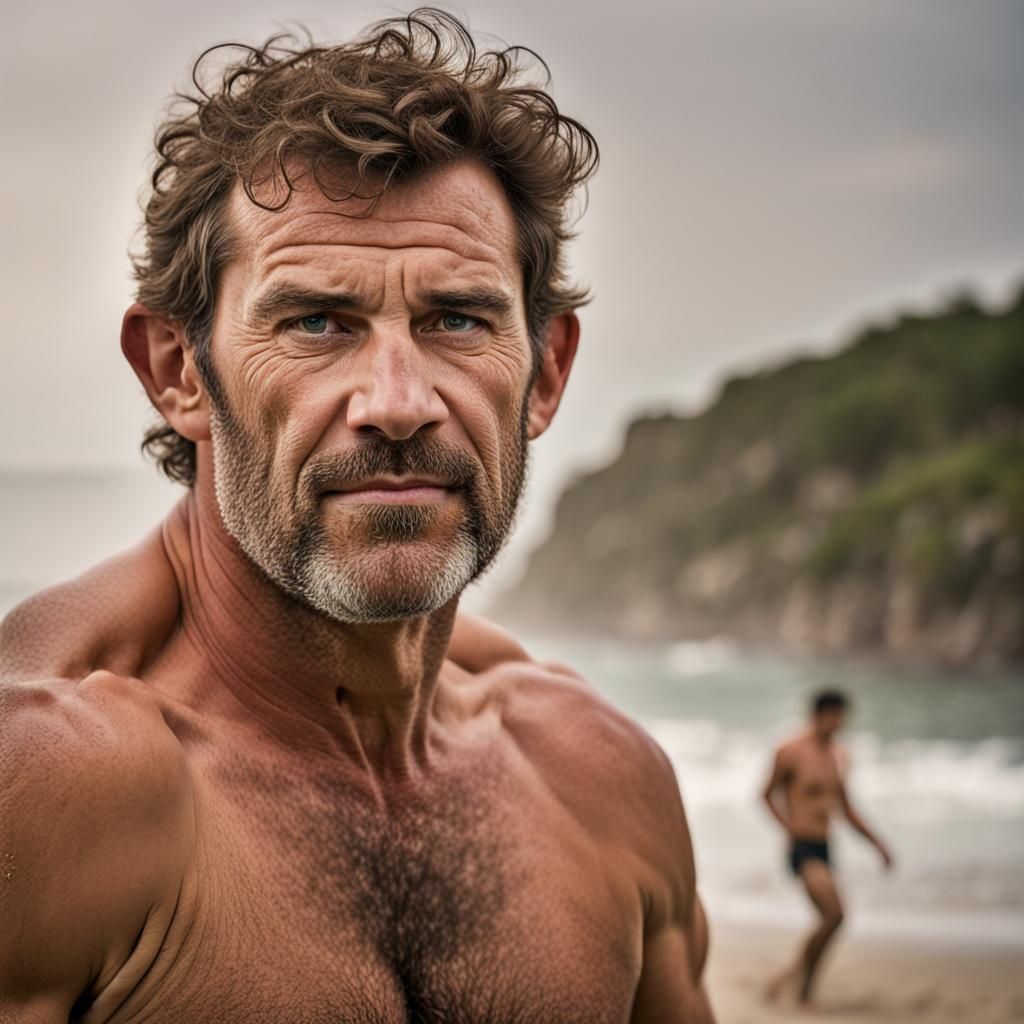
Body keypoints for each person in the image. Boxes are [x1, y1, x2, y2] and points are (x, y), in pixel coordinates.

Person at [0, 10, 714, 1022]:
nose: (395, 399)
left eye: (456, 319)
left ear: (546, 370)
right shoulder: (58, 792)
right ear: (177, 371)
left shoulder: (600, 782)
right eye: (317, 322)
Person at [761, 688, 894, 1008]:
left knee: (828, 919)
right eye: (834, 717)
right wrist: (788, 827)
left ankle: (790, 978)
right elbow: (765, 794)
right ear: (818, 716)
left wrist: (878, 844)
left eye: (842, 719)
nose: (838, 724)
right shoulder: (790, 751)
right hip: (802, 847)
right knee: (835, 914)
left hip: (825, 846)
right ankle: (801, 989)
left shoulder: (839, 757)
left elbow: (846, 809)